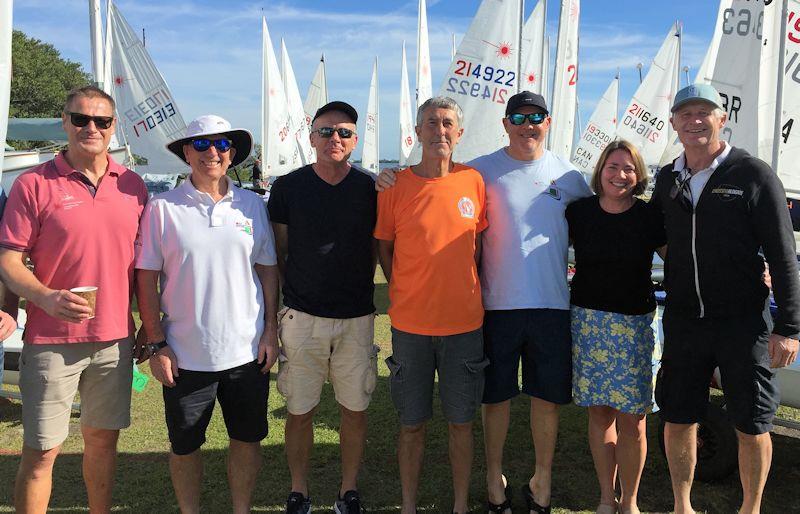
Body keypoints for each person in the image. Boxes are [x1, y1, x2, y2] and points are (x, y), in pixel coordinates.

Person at [377, 91, 592, 513]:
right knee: (487, 402)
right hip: (484, 310)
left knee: (533, 403)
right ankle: (484, 484)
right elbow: (393, 245)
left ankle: (537, 483)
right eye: (518, 117)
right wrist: (385, 178)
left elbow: (595, 227)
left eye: (537, 117)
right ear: (505, 123)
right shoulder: (474, 173)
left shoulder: (565, 176)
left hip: (536, 308)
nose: (527, 124)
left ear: (548, 122)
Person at [651, 83, 800, 514]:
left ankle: (750, 508)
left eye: (704, 113)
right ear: (675, 123)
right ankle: (683, 506)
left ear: (722, 119)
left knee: (753, 423)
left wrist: (789, 327)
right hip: (683, 320)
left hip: (742, 323)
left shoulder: (752, 173)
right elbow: (663, 237)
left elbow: (782, 253)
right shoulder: (668, 177)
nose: (695, 121)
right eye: (685, 114)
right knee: (678, 417)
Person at [0, 85, 148, 513]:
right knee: (42, 450)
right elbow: (8, 261)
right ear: (64, 122)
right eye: (80, 119)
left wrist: (146, 327)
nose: (91, 128)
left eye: (101, 121)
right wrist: (44, 297)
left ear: (113, 126)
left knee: (103, 443)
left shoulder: (134, 185)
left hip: (115, 339)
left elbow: (142, 268)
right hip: (51, 341)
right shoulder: (33, 184)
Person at [135, 115, 279, 514]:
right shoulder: (162, 207)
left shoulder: (251, 204)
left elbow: (267, 269)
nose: (211, 152)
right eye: (200, 145)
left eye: (220, 144)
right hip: (184, 355)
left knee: (247, 441)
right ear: (186, 153)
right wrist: (157, 343)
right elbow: (145, 279)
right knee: (184, 447)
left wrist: (270, 332)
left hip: (247, 352)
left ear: (232, 154)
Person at [375, 96, 489, 514]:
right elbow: (385, 250)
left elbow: (476, 249)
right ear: (417, 132)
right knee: (411, 425)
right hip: (411, 328)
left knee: (462, 423)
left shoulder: (473, 182)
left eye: (447, 124)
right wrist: (408, 288)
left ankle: (460, 505)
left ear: (458, 133)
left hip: (464, 327)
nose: (439, 131)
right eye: (431, 123)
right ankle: (408, 505)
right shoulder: (394, 187)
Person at [267, 101, 377, 514]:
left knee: (355, 410)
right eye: (327, 131)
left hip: (356, 318)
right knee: (299, 410)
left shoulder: (369, 188)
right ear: (311, 137)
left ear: (355, 140)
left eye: (345, 132)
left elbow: (373, 251)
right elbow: (280, 252)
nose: (336, 139)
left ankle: (348, 490)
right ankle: (299, 490)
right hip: (302, 317)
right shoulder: (288, 187)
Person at [566, 140, 665, 514]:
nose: (619, 175)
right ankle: (606, 498)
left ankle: (630, 501)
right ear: (600, 171)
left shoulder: (649, 217)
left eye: (627, 169)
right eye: (612, 167)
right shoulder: (579, 213)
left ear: (638, 176)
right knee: (600, 414)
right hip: (589, 324)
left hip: (636, 328)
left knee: (634, 421)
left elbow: (682, 261)